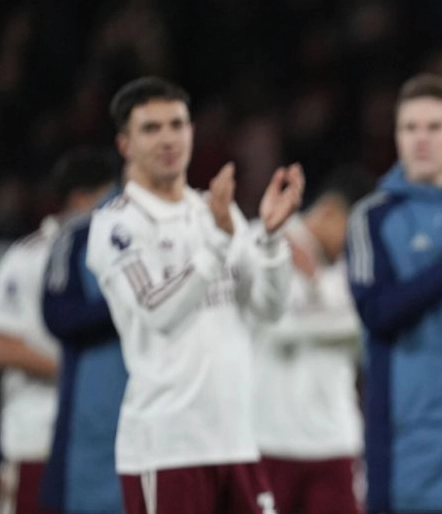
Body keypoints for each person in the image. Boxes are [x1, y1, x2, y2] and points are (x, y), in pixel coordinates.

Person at [85, 77, 303, 514]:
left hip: (237, 440)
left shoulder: (216, 210)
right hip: (167, 447)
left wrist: (273, 241)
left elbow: (269, 308)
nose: (168, 138)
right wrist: (218, 242)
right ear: (125, 144)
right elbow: (159, 311)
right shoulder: (117, 225)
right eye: (151, 128)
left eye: (177, 124)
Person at [345, 73, 442, 514]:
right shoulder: (374, 216)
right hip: (410, 433)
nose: (420, 139)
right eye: (409, 128)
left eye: (434, 127)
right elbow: (377, 312)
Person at [0, 149, 117, 514]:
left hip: (103, 439)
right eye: (111, 195)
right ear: (82, 198)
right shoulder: (28, 257)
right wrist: (80, 376)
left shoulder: (116, 251)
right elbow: (4, 345)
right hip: (38, 435)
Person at [253, 172, 371, 514]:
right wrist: (346, 316)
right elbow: (277, 326)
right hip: (270, 436)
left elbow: (366, 332)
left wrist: (320, 299)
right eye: (352, 230)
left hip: (336, 439)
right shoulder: (266, 242)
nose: (354, 243)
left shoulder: (350, 264)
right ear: (332, 211)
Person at [41, 161, 129, 514]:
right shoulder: (80, 232)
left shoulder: (193, 222)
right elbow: (60, 314)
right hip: (95, 421)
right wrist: (133, 301)